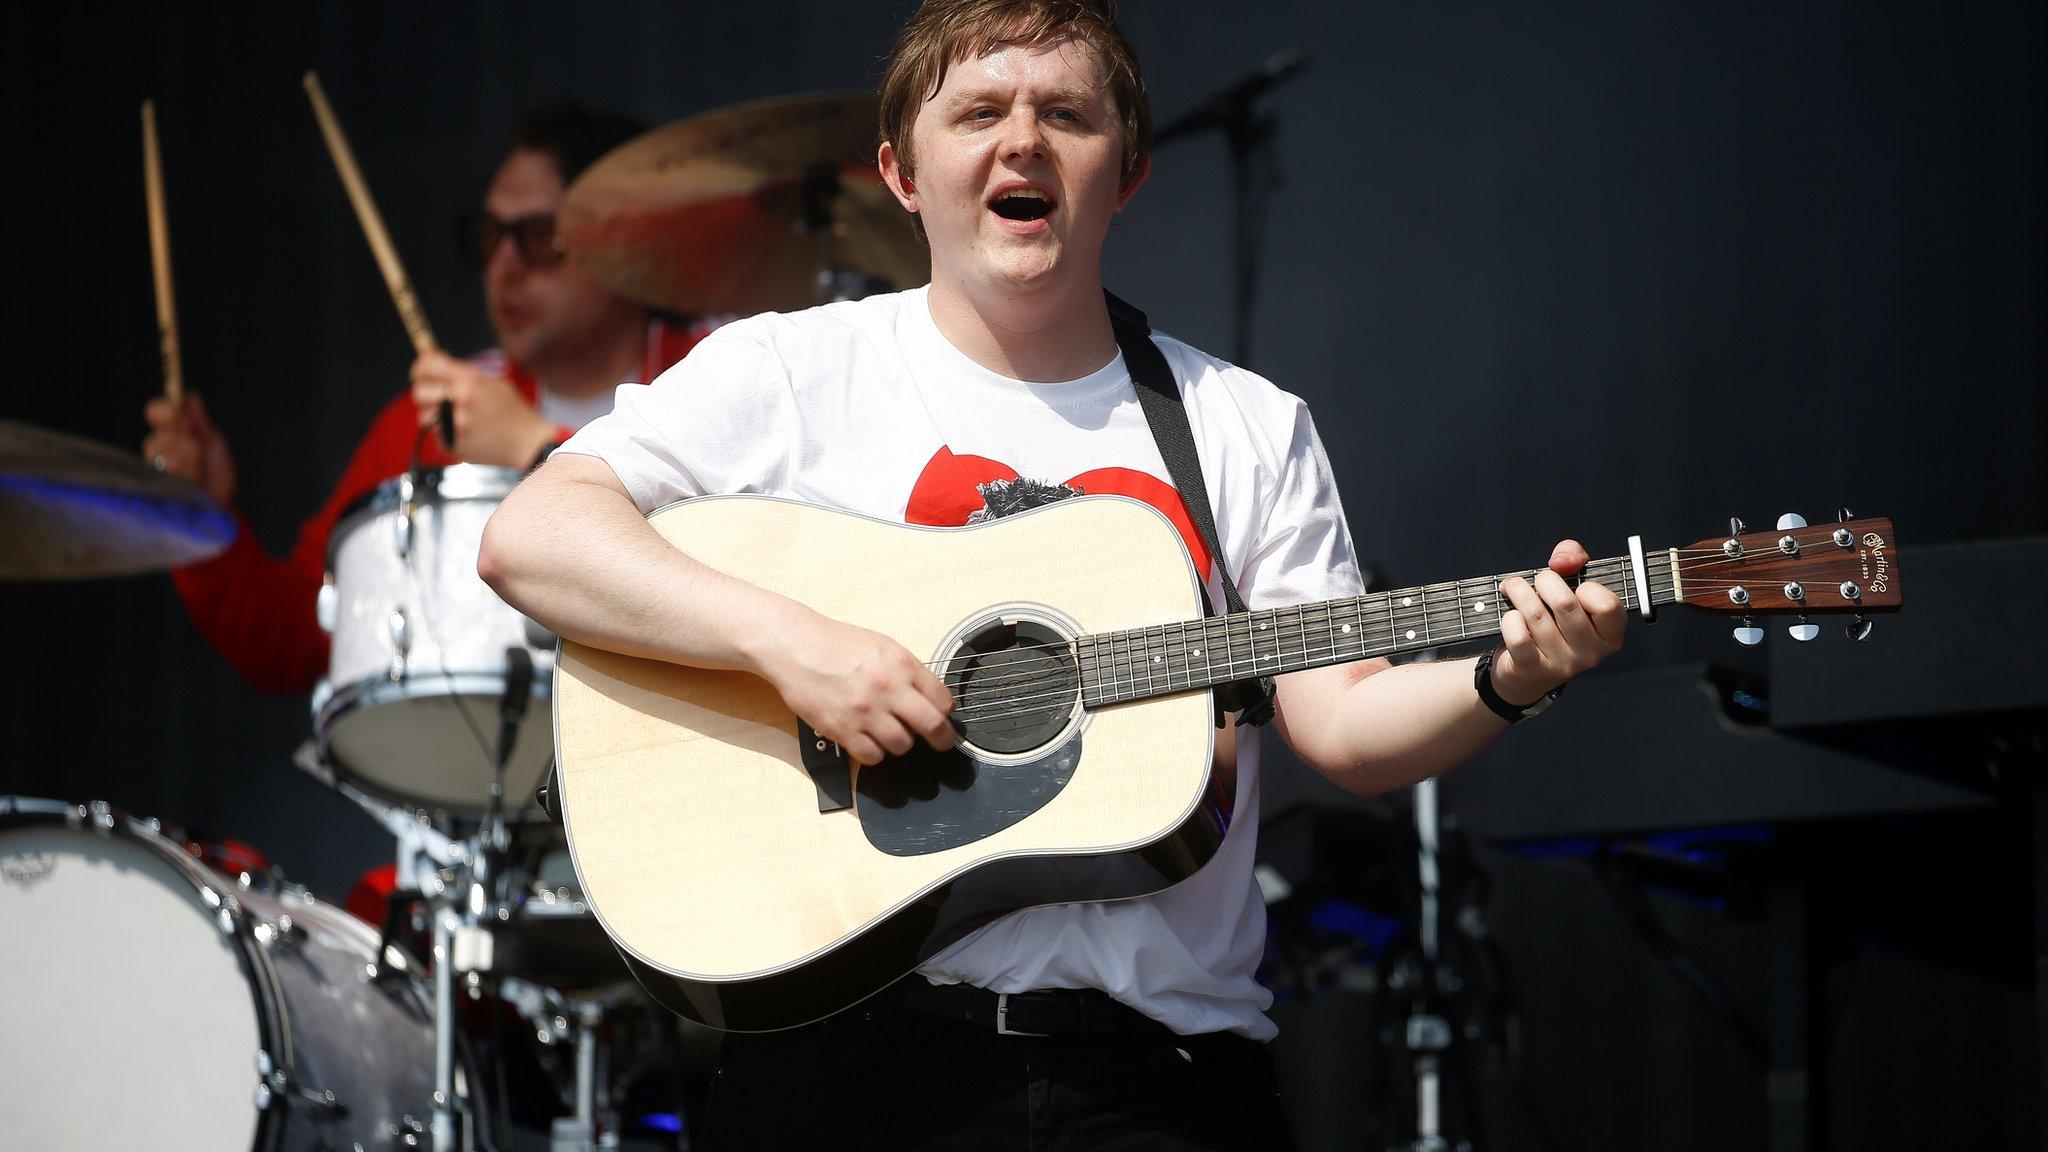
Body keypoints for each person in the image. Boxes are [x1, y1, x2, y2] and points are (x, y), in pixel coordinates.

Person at [477, 3, 1627, 1147]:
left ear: (1122, 174)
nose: (1020, 141)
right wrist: (796, 646)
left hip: (1157, 1080)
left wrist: (1508, 678)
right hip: (840, 1066)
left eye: (1064, 114)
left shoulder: (1242, 425)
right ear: (900, 172)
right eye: (978, 110)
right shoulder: (788, 372)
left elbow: (1341, 722)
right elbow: (534, 536)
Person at [141, 99, 716, 694]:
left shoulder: (716, 369)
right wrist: (199, 522)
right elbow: (293, 641)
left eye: (540, 238)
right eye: (488, 239)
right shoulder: (440, 417)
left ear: (628, 239)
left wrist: (535, 449)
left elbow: (748, 575)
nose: (503, 268)